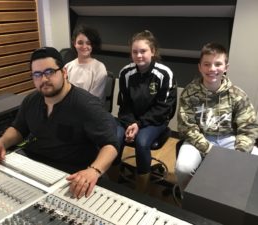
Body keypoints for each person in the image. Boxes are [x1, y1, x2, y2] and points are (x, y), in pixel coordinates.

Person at [0, 47, 118, 199]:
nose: (44, 79)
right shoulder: (31, 100)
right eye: (37, 74)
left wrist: (94, 170)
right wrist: (0, 143)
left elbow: (110, 145)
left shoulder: (87, 105)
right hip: (36, 167)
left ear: (64, 72)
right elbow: (18, 128)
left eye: (49, 72)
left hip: (72, 175)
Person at [175, 42, 258, 195]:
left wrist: (237, 156)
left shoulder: (237, 95)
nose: (212, 69)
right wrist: (210, 151)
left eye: (218, 64)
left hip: (229, 139)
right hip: (200, 139)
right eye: (207, 64)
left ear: (226, 67)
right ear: (200, 67)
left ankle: (238, 202)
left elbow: (249, 129)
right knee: (183, 168)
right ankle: (187, 200)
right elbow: (187, 128)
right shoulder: (189, 93)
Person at [115, 30, 177, 192]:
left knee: (142, 142)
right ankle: (112, 180)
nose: (139, 55)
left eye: (143, 51)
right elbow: (125, 104)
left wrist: (139, 124)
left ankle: (141, 190)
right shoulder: (125, 73)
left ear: (153, 51)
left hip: (156, 121)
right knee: (115, 136)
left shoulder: (164, 74)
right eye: (135, 52)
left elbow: (164, 108)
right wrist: (130, 123)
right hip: (131, 119)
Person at [65, 25, 107, 102]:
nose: (84, 46)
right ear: (74, 44)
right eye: (80, 43)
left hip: (90, 110)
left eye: (88, 43)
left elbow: (95, 99)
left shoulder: (99, 68)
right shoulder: (67, 67)